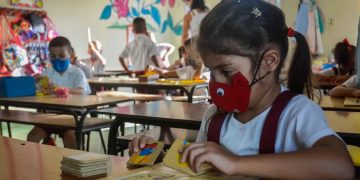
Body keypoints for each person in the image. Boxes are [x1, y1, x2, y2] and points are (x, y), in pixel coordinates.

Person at [128, 0, 354, 178]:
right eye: (211, 71)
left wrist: (236, 163)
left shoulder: (297, 113)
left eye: (226, 71)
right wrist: (158, 157)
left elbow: (340, 166)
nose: (216, 84)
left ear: (269, 61)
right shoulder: (214, 117)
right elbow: (197, 168)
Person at [27, 36, 91, 149]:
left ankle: (71, 164)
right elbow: (38, 92)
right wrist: (37, 84)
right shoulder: (47, 73)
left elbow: (82, 92)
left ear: (70, 54)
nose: (57, 60)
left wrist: (59, 90)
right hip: (50, 115)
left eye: (61, 56)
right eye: (53, 56)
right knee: (32, 136)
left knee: (70, 138)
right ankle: (34, 163)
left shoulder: (77, 73)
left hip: (72, 117)